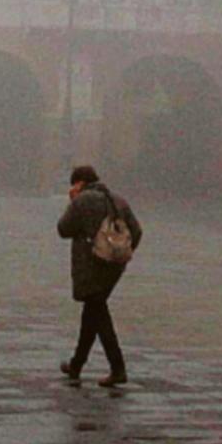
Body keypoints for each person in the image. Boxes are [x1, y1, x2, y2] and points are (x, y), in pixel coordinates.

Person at [55, 164, 142, 387]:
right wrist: (118, 254)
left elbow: (63, 229)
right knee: (93, 312)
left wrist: (73, 201)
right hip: (113, 268)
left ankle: (118, 368)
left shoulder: (83, 201)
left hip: (91, 265)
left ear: (80, 183)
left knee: (99, 314)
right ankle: (76, 365)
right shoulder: (118, 200)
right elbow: (137, 231)